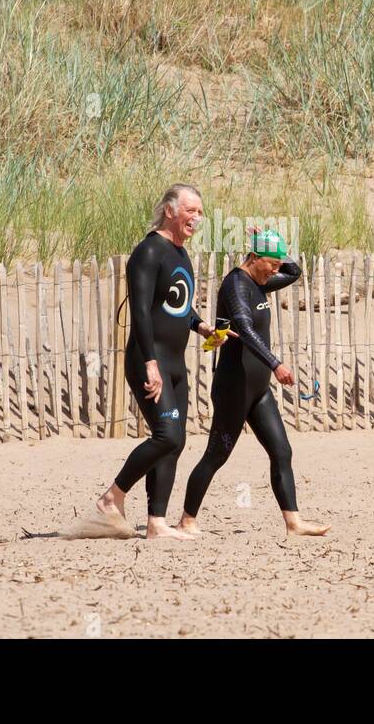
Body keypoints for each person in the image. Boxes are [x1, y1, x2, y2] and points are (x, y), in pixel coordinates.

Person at [86, 184, 230, 540]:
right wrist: (150, 363)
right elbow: (141, 311)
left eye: (200, 212)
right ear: (170, 210)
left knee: (176, 440)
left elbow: (177, 303)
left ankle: (156, 523)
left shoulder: (180, 255)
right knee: (166, 435)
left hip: (175, 361)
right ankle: (112, 497)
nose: (197, 218)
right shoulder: (148, 251)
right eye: (190, 210)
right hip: (148, 359)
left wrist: (201, 326)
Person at [177, 229, 330, 537]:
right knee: (216, 455)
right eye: (271, 263)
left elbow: (294, 271)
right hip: (234, 386)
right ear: (254, 258)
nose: (276, 270)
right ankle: (187, 520)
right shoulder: (236, 285)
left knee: (282, 451)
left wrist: (275, 247)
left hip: (257, 390)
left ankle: (293, 523)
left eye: (276, 264)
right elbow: (245, 330)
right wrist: (276, 364)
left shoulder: (261, 281)